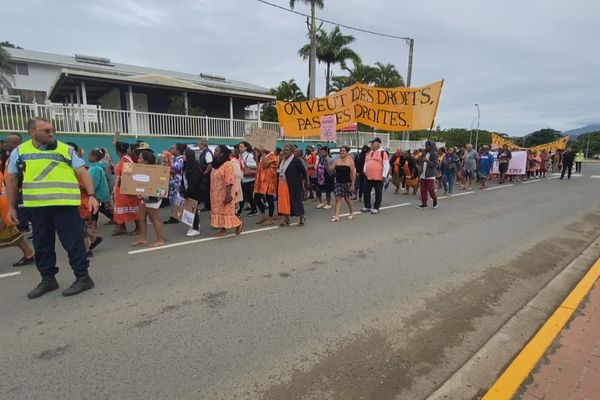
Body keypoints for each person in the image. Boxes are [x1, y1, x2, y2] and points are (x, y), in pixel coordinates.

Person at [5, 118, 98, 298]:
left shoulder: (65, 149)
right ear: (32, 132)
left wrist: (92, 196)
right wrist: (11, 207)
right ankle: (48, 278)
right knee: (42, 244)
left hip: (65, 206)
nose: (51, 133)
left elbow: (82, 172)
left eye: (52, 130)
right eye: (46, 130)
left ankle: (83, 277)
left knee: (73, 242)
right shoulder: (20, 151)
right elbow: (11, 178)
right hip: (38, 206)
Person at [0, 166, 35, 266]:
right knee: (12, 233)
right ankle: (29, 253)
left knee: (10, 232)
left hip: (2, 207)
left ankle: (29, 253)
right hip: (3, 206)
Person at [131, 151, 165, 247]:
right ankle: (142, 239)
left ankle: (160, 239)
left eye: (140, 158)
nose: (138, 160)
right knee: (141, 218)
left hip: (152, 197)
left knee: (154, 218)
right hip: (144, 196)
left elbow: (158, 185)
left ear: (146, 161)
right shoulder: (140, 169)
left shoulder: (154, 170)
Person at [210, 145, 244, 236]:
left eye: (216, 151)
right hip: (216, 193)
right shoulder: (216, 164)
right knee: (220, 211)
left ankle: (239, 223)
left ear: (222, 153)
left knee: (226, 211)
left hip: (225, 192)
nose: (214, 152)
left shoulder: (227, 165)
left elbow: (229, 181)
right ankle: (223, 229)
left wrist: (228, 194)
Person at [112, 142, 140, 236]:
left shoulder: (126, 159)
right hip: (120, 189)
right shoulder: (123, 159)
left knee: (132, 207)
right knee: (121, 208)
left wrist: (121, 182)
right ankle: (122, 227)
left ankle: (139, 228)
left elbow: (128, 173)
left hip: (125, 188)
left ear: (117, 151)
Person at [277, 144, 308, 226]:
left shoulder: (296, 160)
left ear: (291, 151)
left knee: (297, 201)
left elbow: (304, 171)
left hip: (294, 185)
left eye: (287, 150)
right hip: (283, 184)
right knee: (284, 202)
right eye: (284, 150)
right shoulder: (282, 161)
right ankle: (286, 219)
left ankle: (301, 217)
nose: (285, 152)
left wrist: (304, 181)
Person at [87, 148, 113, 233]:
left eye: (90, 155)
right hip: (99, 194)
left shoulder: (96, 169)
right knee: (102, 209)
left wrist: (91, 191)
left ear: (94, 157)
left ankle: (94, 226)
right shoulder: (95, 167)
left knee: (95, 209)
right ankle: (114, 218)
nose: (88, 156)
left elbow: (94, 182)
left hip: (98, 194)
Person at [362, 138, 389, 214]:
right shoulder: (369, 153)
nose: (371, 145)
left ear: (378, 144)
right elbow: (366, 162)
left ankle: (376, 207)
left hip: (378, 177)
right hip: (368, 176)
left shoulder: (383, 153)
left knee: (378, 193)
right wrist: (364, 170)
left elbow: (386, 165)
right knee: (366, 191)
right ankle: (367, 206)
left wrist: (384, 175)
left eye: (372, 143)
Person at [253, 146, 279, 226]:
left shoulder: (273, 155)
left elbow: (265, 165)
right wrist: (257, 157)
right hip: (261, 181)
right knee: (256, 197)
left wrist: (263, 153)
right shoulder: (264, 156)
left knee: (269, 199)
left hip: (269, 181)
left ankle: (270, 218)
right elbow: (259, 167)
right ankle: (264, 215)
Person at [330, 146, 356, 222]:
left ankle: (351, 212)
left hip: (346, 183)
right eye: (341, 151)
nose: (342, 152)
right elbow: (331, 169)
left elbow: (353, 174)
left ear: (347, 152)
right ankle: (337, 215)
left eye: (344, 151)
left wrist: (353, 184)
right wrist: (327, 161)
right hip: (338, 182)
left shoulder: (350, 161)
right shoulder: (337, 160)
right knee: (337, 199)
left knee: (347, 199)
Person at [181, 149, 203, 237]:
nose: (183, 156)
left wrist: (187, 193)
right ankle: (194, 225)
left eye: (184, 155)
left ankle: (196, 228)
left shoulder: (194, 168)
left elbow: (194, 183)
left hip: (194, 192)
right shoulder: (186, 165)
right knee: (190, 210)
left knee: (194, 209)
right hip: (188, 191)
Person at [164, 143, 187, 224]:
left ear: (178, 150)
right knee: (173, 199)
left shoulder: (180, 159)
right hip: (174, 182)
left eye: (173, 148)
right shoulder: (176, 158)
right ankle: (175, 216)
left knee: (175, 200)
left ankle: (175, 217)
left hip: (177, 183)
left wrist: (166, 168)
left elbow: (176, 169)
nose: (171, 149)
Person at [417, 140, 438, 209]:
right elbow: (420, 161)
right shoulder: (424, 153)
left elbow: (433, 165)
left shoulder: (434, 154)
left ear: (432, 146)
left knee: (430, 189)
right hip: (423, 173)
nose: (426, 147)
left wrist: (427, 160)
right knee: (423, 190)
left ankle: (434, 199)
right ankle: (424, 203)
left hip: (430, 175)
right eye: (426, 145)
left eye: (428, 145)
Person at [238, 141, 258, 216]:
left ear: (246, 147)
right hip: (242, 178)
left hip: (248, 179)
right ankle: (240, 211)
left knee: (249, 196)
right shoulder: (240, 156)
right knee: (242, 195)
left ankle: (254, 210)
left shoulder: (249, 155)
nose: (240, 148)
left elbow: (255, 165)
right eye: (239, 147)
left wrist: (246, 162)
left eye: (241, 147)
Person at [196, 139, 213, 211]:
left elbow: (210, 164)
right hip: (203, 174)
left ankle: (208, 206)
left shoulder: (207, 153)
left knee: (206, 190)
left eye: (199, 144)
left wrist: (205, 172)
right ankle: (207, 204)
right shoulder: (204, 152)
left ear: (204, 145)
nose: (198, 146)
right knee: (204, 190)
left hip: (206, 175)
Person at [230, 148, 244, 215]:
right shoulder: (234, 161)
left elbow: (237, 173)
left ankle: (235, 213)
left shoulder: (234, 161)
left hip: (235, 183)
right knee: (234, 199)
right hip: (234, 183)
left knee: (234, 199)